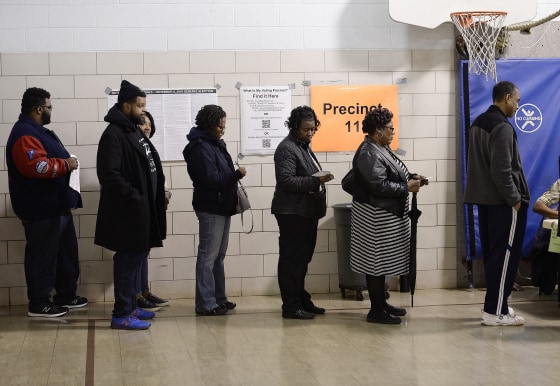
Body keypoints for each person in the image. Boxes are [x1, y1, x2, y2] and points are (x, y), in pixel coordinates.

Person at [6, 87, 88, 317]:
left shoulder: (39, 131)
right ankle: (39, 303)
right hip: (40, 209)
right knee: (42, 257)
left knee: (65, 255)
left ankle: (66, 295)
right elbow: (37, 167)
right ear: (39, 109)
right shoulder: (24, 133)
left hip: (56, 207)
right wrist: (66, 164)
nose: (52, 111)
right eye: (50, 107)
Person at [95, 80, 167, 330]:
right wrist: (136, 197)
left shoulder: (133, 131)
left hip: (141, 212)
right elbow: (109, 175)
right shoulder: (113, 134)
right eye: (140, 106)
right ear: (126, 106)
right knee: (126, 264)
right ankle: (121, 314)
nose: (143, 111)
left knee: (136, 262)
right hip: (128, 213)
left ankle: (132, 306)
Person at [349, 104, 427, 324]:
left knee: (381, 261)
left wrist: (411, 177)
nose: (393, 132)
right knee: (375, 262)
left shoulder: (380, 148)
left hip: (385, 215)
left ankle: (381, 304)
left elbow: (392, 174)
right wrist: (406, 187)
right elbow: (378, 185)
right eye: (390, 129)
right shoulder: (368, 151)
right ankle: (375, 310)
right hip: (374, 217)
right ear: (378, 130)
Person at [464, 80, 530, 326]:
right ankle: (494, 311)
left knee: (495, 256)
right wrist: (514, 199)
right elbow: (502, 169)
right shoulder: (502, 127)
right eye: (517, 100)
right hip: (503, 203)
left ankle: (498, 306)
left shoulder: (478, 123)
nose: (518, 105)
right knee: (505, 258)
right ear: (507, 98)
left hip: (485, 202)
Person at [271, 106, 334, 320]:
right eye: (306, 129)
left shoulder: (303, 145)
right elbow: (286, 180)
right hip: (292, 212)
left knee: (302, 259)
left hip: (305, 211)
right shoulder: (287, 148)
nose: (310, 133)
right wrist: (316, 180)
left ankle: (301, 299)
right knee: (292, 260)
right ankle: (291, 306)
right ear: (295, 126)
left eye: (313, 129)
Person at [183, 104, 245, 316]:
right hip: (211, 207)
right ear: (209, 124)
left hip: (222, 205)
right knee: (208, 257)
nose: (222, 130)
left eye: (224, 126)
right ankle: (205, 304)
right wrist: (236, 175)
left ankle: (219, 298)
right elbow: (210, 179)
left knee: (218, 256)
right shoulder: (200, 147)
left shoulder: (214, 143)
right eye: (220, 126)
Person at [135, 111, 170, 311]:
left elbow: (155, 177)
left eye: (149, 123)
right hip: (139, 208)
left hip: (151, 206)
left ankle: (145, 291)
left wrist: (164, 194)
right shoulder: (135, 146)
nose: (147, 127)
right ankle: (137, 295)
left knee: (144, 251)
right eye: (143, 123)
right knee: (137, 252)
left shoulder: (148, 146)